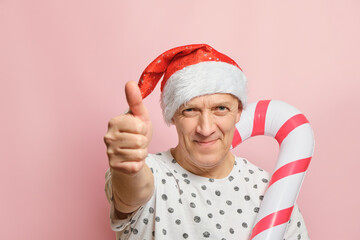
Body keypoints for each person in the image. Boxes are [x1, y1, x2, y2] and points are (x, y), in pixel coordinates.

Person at [104, 44, 310, 239]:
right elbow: (132, 193)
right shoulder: (150, 171)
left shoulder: (272, 191)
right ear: (173, 116)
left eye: (220, 108)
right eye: (190, 110)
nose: (206, 128)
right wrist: (128, 166)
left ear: (239, 111)